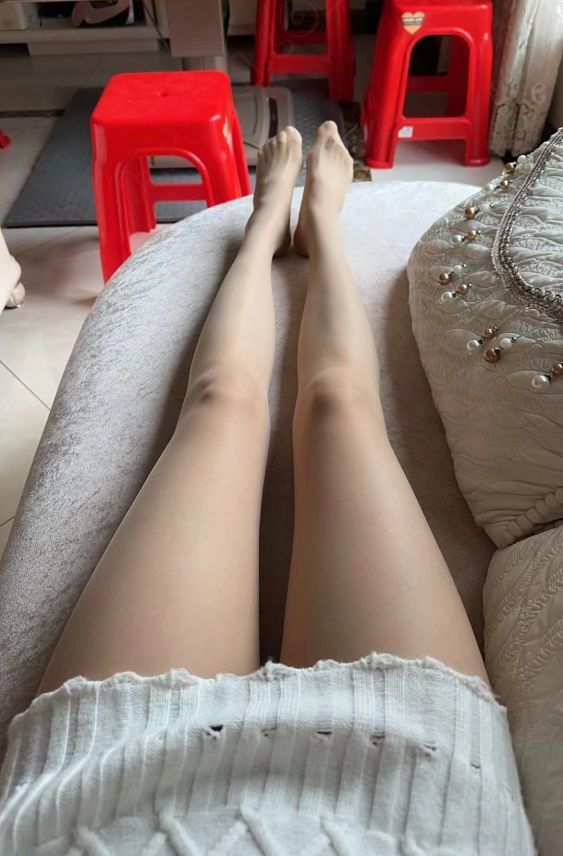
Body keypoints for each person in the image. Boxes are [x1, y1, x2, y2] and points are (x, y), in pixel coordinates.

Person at [0, 123, 534, 854]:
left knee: (230, 405)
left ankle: (304, 225)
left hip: (105, 796)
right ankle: (277, 225)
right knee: (335, 406)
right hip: (415, 797)